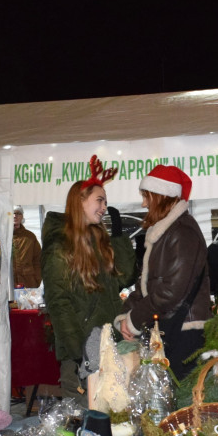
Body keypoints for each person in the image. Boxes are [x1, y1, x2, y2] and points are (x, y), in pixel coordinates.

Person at [41, 158, 135, 403]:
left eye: (106, 201)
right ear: (79, 201)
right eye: (99, 200)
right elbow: (57, 301)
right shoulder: (59, 246)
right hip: (80, 351)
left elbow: (124, 276)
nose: (104, 207)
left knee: (110, 411)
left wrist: (117, 236)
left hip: (107, 343)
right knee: (85, 414)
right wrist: (76, 350)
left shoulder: (99, 239)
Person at [115, 165, 210, 379]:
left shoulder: (182, 232)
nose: (143, 203)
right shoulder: (166, 231)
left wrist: (133, 320)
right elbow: (146, 285)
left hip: (183, 332)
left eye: (147, 196)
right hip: (171, 327)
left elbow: (170, 291)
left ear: (161, 196)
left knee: (181, 404)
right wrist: (126, 317)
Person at [12, 206, 42, 288]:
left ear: (22, 217)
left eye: (18, 213)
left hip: (28, 283)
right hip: (10, 283)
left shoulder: (30, 237)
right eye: (13, 213)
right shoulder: (3, 237)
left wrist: (37, 279)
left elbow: (38, 260)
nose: (15, 216)